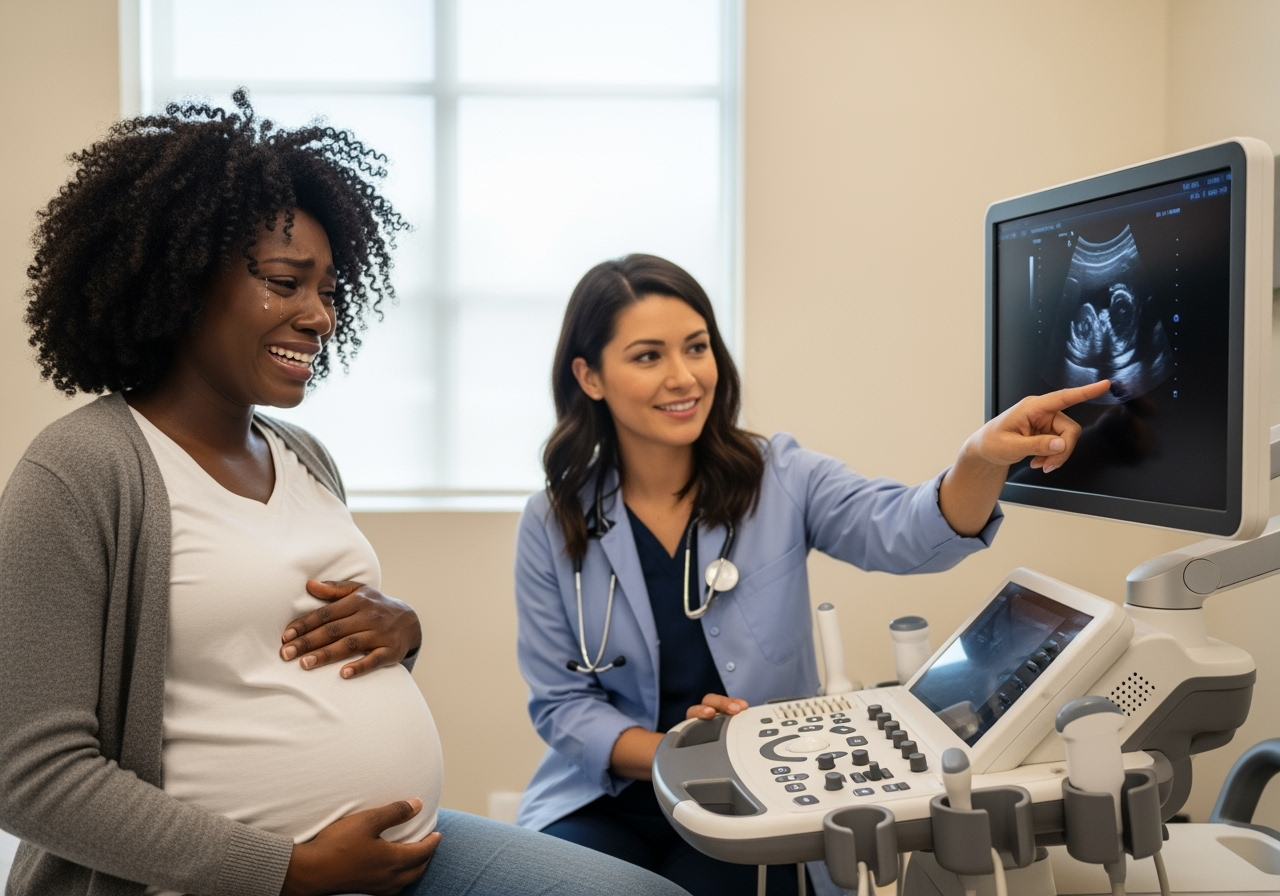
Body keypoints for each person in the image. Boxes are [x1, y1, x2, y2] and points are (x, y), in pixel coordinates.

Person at [0, 95, 689, 896]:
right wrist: (284, 870)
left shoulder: (304, 456)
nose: (321, 316)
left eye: (329, 290)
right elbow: (32, 775)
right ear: (182, 281)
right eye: (287, 282)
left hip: (395, 853)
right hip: (226, 878)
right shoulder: (83, 470)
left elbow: (277, 647)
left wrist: (404, 631)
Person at [512, 254, 1109, 895]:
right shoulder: (554, 519)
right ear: (590, 376)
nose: (684, 377)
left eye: (697, 347)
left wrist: (979, 459)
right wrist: (673, 750)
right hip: (605, 797)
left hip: (758, 796)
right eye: (648, 356)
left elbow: (906, 532)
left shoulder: (782, 477)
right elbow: (562, 705)